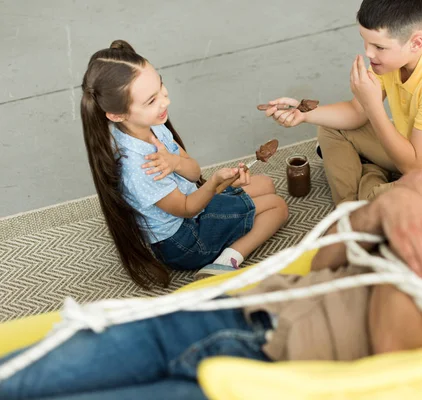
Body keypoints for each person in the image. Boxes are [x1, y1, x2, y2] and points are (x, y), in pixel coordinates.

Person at [2, 57, 422, 400]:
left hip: (271, 374)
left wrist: (410, 206)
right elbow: (324, 257)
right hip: (242, 308)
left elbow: (400, 356)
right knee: (23, 376)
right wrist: (400, 201)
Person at [79, 40, 288, 287]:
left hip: (193, 203)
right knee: (277, 206)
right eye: (151, 100)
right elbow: (187, 208)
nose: (165, 101)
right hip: (184, 240)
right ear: (117, 115)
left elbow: (193, 172)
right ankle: (226, 261)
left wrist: (176, 162)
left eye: (161, 86)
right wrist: (215, 183)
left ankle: (233, 222)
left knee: (265, 182)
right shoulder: (140, 167)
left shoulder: (152, 125)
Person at [263, 0, 422, 204]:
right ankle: (349, 210)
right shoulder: (392, 59)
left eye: (378, 46)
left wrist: (373, 106)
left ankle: (366, 184)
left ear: (416, 43)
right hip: (414, 149)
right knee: (329, 127)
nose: (369, 54)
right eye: (365, 41)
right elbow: (357, 112)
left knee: (379, 203)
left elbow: (413, 166)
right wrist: (304, 114)